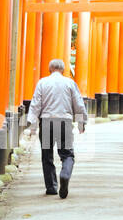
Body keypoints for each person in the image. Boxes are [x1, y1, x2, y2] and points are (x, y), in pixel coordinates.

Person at [27, 58, 88, 199]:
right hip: (64, 122)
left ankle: (52, 187)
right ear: (63, 70)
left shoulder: (42, 83)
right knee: (67, 154)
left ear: (50, 70)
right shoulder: (70, 83)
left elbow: (36, 104)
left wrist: (33, 126)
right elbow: (78, 104)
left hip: (47, 121)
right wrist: (81, 122)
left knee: (47, 156)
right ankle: (65, 175)